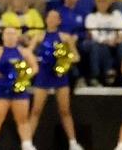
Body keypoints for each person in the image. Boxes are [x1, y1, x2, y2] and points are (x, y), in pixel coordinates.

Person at [27, 10, 84, 150]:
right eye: (49, 17)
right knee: (36, 110)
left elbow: (77, 57)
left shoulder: (65, 37)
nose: (52, 20)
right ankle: (27, 143)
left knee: (65, 110)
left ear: (59, 21)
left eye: (55, 17)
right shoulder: (38, 36)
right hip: (44, 74)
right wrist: (37, 59)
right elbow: (28, 53)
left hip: (59, 74)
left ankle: (73, 143)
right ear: (46, 20)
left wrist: (64, 60)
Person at [0, 26, 37, 150]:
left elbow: (34, 67)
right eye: (7, 34)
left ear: (17, 36)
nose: (10, 36)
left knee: (22, 118)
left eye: (12, 34)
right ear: (2, 36)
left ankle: (27, 144)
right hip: (1, 88)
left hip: (19, 88)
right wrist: (1, 77)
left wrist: (23, 77)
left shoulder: (24, 52)